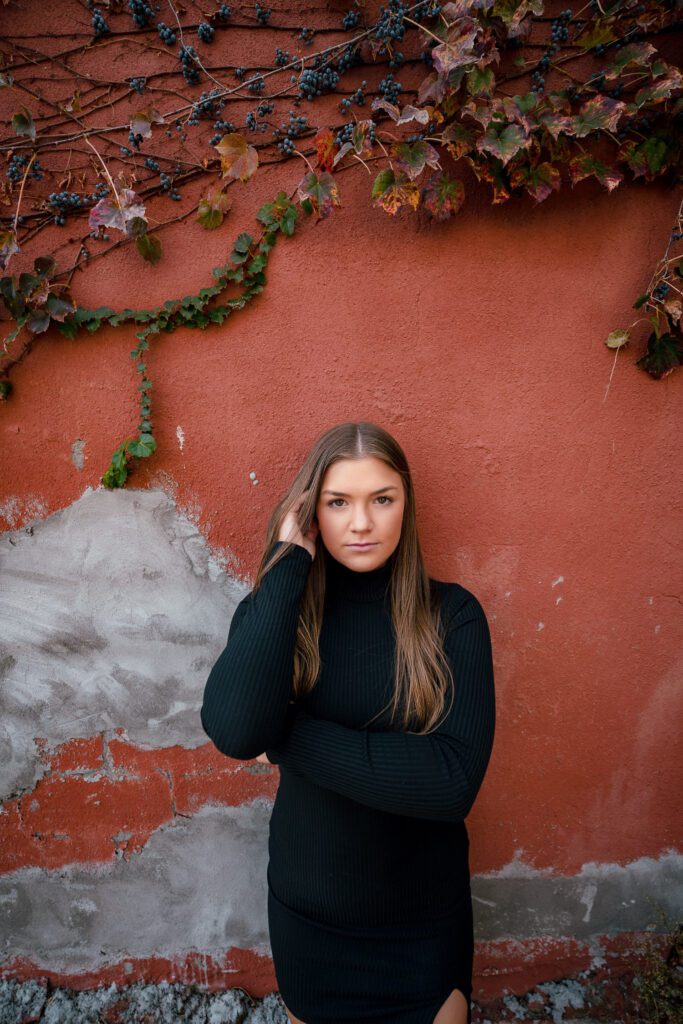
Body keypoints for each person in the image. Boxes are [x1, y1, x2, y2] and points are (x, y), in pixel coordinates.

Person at [201, 421, 496, 1024]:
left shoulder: (453, 616)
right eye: (338, 503)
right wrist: (287, 566)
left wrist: (287, 737)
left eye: (381, 499)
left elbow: (450, 782)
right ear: (310, 512)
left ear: (405, 505)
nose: (361, 523)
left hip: (422, 926)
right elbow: (233, 732)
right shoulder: (279, 616)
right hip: (311, 924)